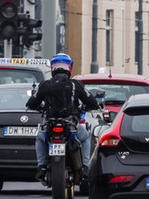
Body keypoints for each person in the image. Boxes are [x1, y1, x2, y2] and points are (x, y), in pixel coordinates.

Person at [26, 53, 99, 182]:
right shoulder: (76, 85)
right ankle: (86, 167)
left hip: (50, 124)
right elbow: (92, 102)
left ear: (53, 67)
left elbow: (31, 103)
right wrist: (89, 107)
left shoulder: (44, 85)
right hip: (71, 125)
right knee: (86, 137)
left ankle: (41, 166)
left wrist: (39, 107)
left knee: (40, 138)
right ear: (69, 67)